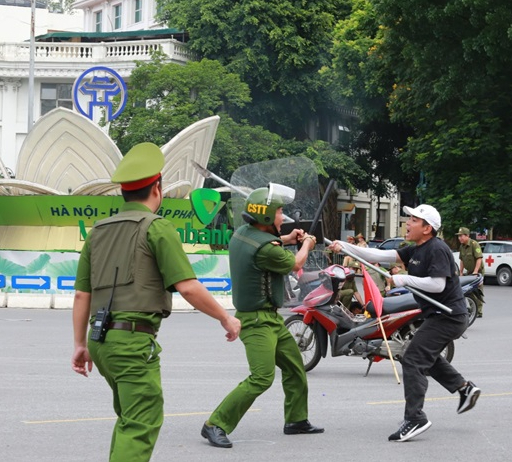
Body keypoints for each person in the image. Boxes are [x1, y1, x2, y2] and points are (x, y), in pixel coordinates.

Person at [70, 143, 242, 461]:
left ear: (124, 192)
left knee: (129, 419)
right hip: (132, 340)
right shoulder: (157, 227)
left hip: (100, 341)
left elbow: (83, 294)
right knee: (140, 422)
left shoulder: (97, 233)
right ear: (158, 189)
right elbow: (188, 287)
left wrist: (80, 344)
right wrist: (226, 318)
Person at [328, 204, 480, 442]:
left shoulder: (437, 249)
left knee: (412, 359)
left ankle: (416, 418)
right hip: (437, 315)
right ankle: (464, 388)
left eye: (413, 220)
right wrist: (343, 245)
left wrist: (404, 279)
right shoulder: (415, 249)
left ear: (427, 228)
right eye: (408, 219)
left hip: (449, 316)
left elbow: (438, 285)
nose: (407, 223)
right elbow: (377, 255)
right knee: (421, 355)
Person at [201, 183, 324, 449]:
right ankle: (215, 424)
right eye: (280, 212)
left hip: (270, 319)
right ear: (266, 216)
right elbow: (296, 263)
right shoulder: (267, 249)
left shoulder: (242, 233)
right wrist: (308, 244)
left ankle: (296, 420)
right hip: (256, 321)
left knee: (294, 367)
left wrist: (289, 239)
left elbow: (268, 242)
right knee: (261, 377)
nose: (284, 217)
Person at [456, 226, 485, 318]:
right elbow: (462, 260)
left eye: (461, 236)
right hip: (469, 271)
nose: (460, 238)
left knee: (478, 290)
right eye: (459, 236)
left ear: (467, 236)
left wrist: (476, 271)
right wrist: (460, 272)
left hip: (478, 271)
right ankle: (473, 308)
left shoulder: (474, 244)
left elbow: (479, 259)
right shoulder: (462, 246)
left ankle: (479, 311)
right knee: (468, 291)